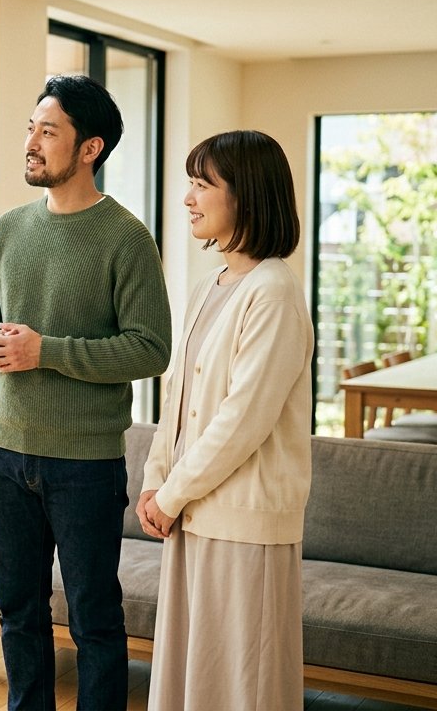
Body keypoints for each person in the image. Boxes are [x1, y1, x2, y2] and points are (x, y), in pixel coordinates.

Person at [0, 74, 171, 711]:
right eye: (31, 127)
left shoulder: (127, 239)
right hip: (6, 452)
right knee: (18, 612)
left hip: (85, 463)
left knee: (94, 620)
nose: (31, 142)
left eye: (47, 131)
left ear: (90, 148)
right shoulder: (9, 229)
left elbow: (150, 348)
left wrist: (45, 350)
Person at [137, 130, 313, 710]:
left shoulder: (274, 292)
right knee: (197, 679)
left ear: (246, 196)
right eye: (190, 182)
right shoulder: (210, 287)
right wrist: (155, 483)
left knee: (245, 684)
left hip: (244, 519)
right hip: (194, 513)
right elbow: (178, 400)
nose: (188, 198)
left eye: (201, 184)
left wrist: (174, 493)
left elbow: (244, 418)